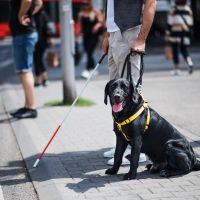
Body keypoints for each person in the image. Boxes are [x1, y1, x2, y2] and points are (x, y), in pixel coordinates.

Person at [102, 0, 157, 165]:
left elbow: (151, 2)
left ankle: (136, 150)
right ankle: (122, 143)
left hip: (130, 31)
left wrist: (141, 38)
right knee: (116, 95)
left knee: (130, 94)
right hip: (114, 32)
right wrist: (107, 34)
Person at [9, 0, 42, 118]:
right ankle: (27, 106)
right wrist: (29, 14)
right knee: (24, 71)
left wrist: (20, 15)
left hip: (23, 34)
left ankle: (31, 107)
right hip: (24, 34)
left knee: (25, 70)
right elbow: (38, 2)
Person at [165, 0, 194, 76]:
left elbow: (170, 23)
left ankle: (177, 69)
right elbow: (191, 23)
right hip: (185, 32)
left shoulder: (173, 9)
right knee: (184, 49)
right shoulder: (188, 9)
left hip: (175, 32)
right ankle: (190, 63)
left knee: (175, 51)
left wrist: (167, 33)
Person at [77, 0, 104, 79]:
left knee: (89, 52)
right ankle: (92, 69)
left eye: (87, 4)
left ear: (90, 4)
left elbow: (101, 21)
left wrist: (97, 26)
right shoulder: (81, 14)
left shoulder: (95, 12)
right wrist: (76, 37)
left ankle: (87, 70)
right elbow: (80, 26)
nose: (85, 6)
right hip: (85, 36)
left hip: (94, 36)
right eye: (83, 4)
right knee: (88, 53)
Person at [34, 7, 54, 87]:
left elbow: (48, 27)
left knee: (37, 60)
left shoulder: (39, 14)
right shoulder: (43, 13)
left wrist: (50, 38)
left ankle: (39, 79)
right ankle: (44, 78)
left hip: (39, 41)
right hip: (40, 41)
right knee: (38, 59)